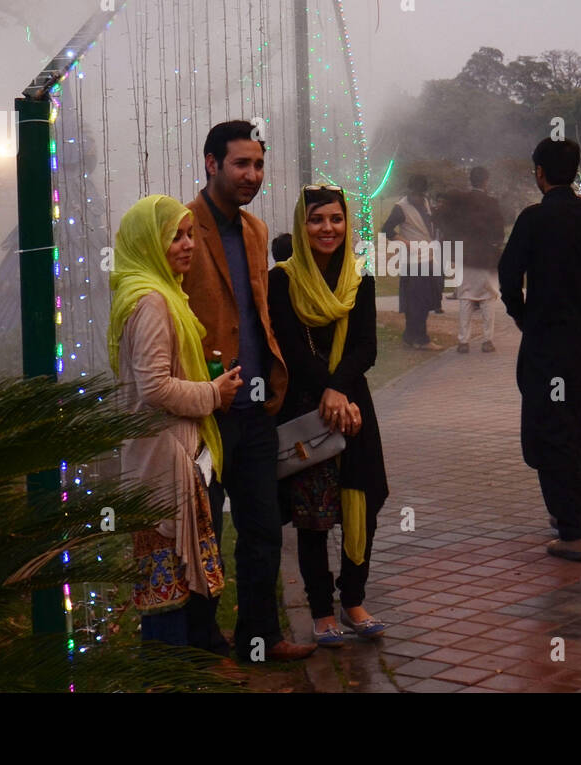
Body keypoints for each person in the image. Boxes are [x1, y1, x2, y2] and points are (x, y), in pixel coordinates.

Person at [181, 120, 315, 663]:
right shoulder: (183, 226)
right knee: (203, 531)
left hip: (258, 408)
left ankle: (259, 639)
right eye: (241, 164)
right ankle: (203, 643)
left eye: (258, 165)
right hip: (207, 411)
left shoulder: (257, 231)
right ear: (212, 163)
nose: (252, 175)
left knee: (262, 529)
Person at [108, 194, 243, 655]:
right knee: (166, 584)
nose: (187, 245)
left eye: (189, 235)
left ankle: (183, 668)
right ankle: (168, 676)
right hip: (161, 462)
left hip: (170, 454)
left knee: (176, 579)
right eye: (174, 237)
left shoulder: (159, 293)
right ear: (148, 243)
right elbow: (154, 389)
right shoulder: (151, 301)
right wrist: (213, 393)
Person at [268, 186, 389, 647]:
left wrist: (340, 390)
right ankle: (320, 611)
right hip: (307, 408)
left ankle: (353, 599)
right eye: (317, 219)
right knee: (313, 514)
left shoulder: (360, 279)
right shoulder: (282, 280)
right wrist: (328, 391)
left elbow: (366, 347)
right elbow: (293, 351)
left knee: (365, 499)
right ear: (302, 224)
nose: (327, 229)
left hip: (353, 406)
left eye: (336, 219)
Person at [498, 138, 581, 563]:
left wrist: (524, 315)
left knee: (551, 429)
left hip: (547, 347)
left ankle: (572, 530)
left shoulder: (533, 220)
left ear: (539, 172)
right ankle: (572, 518)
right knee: (580, 428)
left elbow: (508, 275)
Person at [436, 166, 505, 354]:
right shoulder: (491, 202)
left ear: (471, 180)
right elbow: (499, 231)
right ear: (485, 181)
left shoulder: (460, 201)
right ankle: (487, 340)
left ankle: (463, 341)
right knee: (487, 298)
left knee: (465, 297)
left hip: (464, 256)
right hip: (485, 256)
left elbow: (441, 217)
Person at [381, 174, 443, 351]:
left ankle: (410, 336)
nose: (419, 197)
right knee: (417, 301)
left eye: (421, 194)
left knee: (422, 300)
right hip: (413, 260)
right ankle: (420, 339)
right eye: (416, 194)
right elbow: (386, 230)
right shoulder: (401, 207)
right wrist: (405, 242)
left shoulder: (426, 202)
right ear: (410, 191)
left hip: (428, 256)